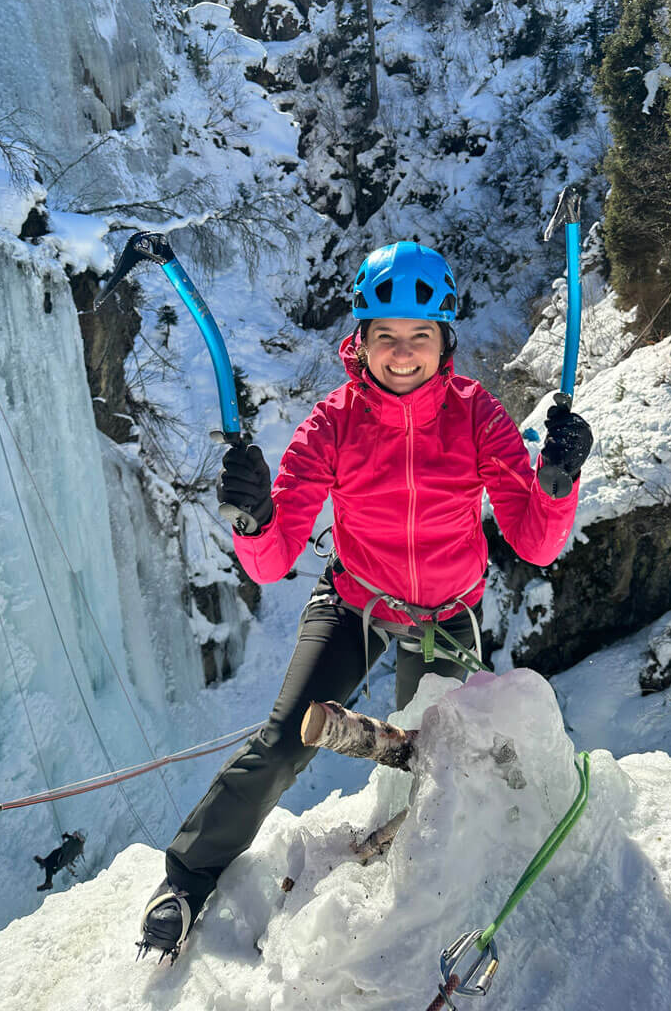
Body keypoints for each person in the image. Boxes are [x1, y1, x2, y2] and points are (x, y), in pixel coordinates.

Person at [138, 241, 592, 960]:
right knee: (286, 739)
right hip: (356, 599)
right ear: (363, 340)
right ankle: (187, 879)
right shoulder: (332, 424)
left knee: (444, 757)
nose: (402, 353)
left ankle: (447, 861)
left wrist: (557, 484)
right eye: (386, 336)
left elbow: (534, 542)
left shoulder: (478, 417)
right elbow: (276, 555)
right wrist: (254, 520)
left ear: (445, 342)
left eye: (420, 336)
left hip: (448, 615)